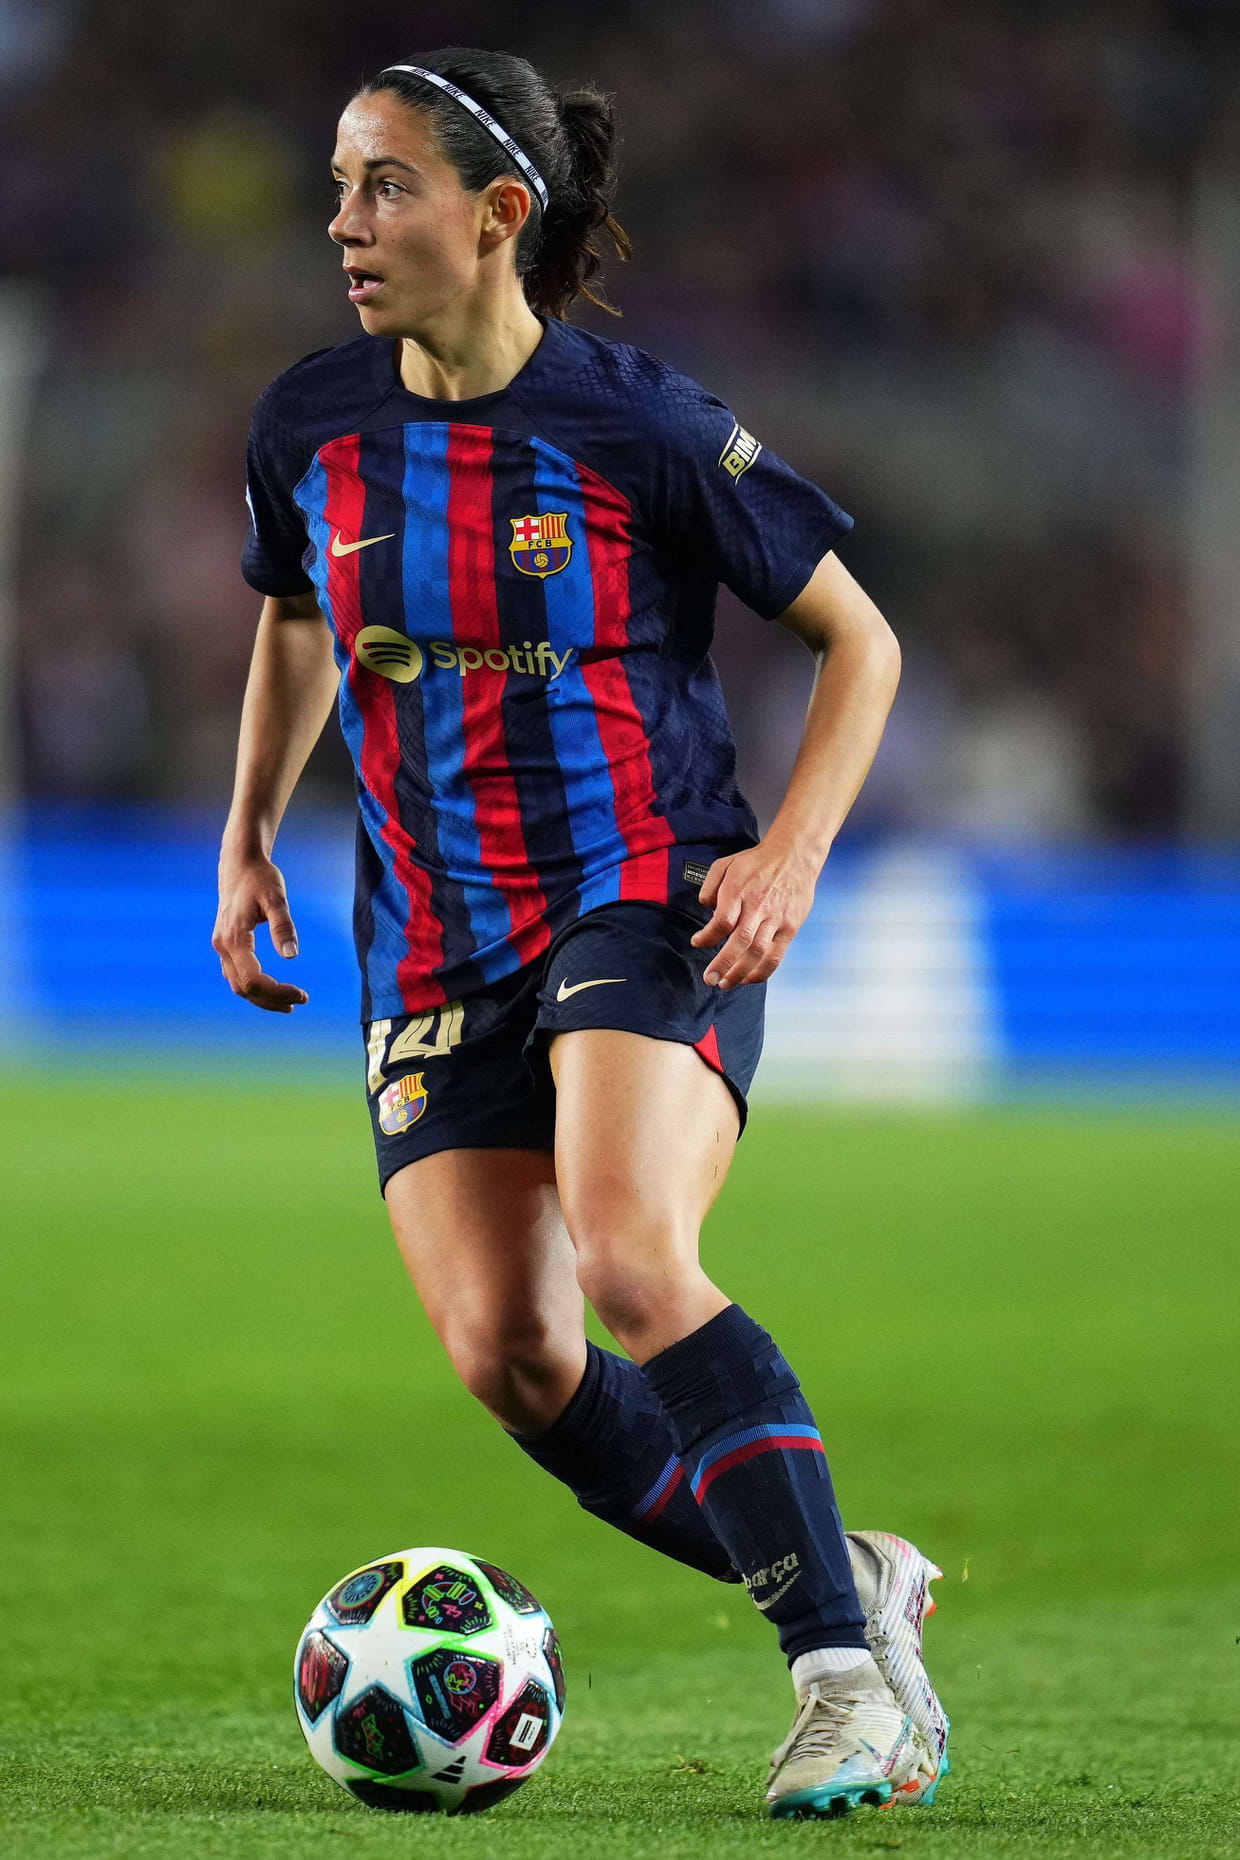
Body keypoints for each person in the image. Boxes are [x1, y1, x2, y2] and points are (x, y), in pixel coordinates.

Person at [214, 45, 949, 1820]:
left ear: (499, 214)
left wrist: (789, 858)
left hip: (642, 888)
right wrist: (246, 829)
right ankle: (848, 1571)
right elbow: (298, 614)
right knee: (516, 1356)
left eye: (385, 186)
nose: (345, 224)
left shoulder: (642, 426)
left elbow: (861, 642)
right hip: (432, 934)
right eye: (338, 188)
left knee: (629, 1253)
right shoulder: (311, 420)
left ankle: (849, 1688)